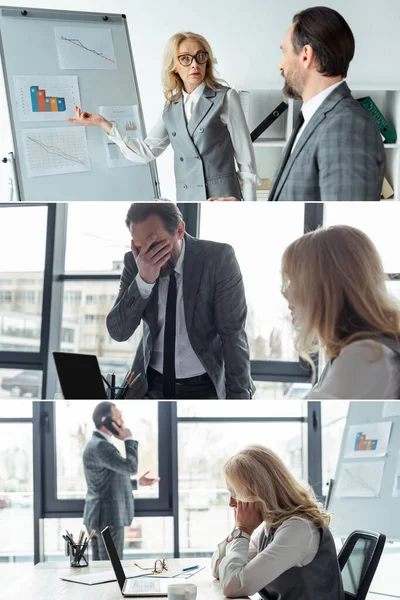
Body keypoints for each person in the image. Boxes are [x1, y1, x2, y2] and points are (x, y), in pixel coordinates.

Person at [68, 31, 259, 202]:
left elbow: (246, 161)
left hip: (224, 197)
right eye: (185, 58)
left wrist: (249, 207)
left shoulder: (225, 97)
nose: (194, 65)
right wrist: (103, 123)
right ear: (174, 65)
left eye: (200, 57)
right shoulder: (171, 107)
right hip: (188, 198)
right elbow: (146, 152)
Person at [106, 203, 254, 399]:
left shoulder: (217, 259)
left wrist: (239, 399)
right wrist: (143, 280)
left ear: (180, 230)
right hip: (150, 385)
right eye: (141, 248)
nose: (149, 256)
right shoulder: (135, 263)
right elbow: (118, 332)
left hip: (204, 385)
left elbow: (233, 335)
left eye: (156, 246)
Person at [269, 6, 386, 201]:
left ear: (306, 55)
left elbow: (342, 227)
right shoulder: (314, 119)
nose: (280, 65)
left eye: (285, 53)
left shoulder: (346, 126)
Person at [281, 225, 400, 399]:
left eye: (295, 281)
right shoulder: (367, 350)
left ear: (324, 286)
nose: (286, 293)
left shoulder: (365, 355)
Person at [211, 445, 344, 599]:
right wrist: (238, 530)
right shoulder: (272, 526)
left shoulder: (298, 529)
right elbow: (219, 570)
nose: (231, 503)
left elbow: (232, 586)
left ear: (259, 491)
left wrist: (243, 529)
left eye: (235, 493)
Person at [82, 401, 159, 560]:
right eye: (118, 418)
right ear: (105, 421)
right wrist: (129, 439)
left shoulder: (96, 444)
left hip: (97, 516)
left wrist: (138, 483)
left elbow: (107, 483)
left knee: (99, 570)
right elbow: (131, 467)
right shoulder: (102, 446)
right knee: (112, 568)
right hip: (108, 518)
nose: (122, 422)